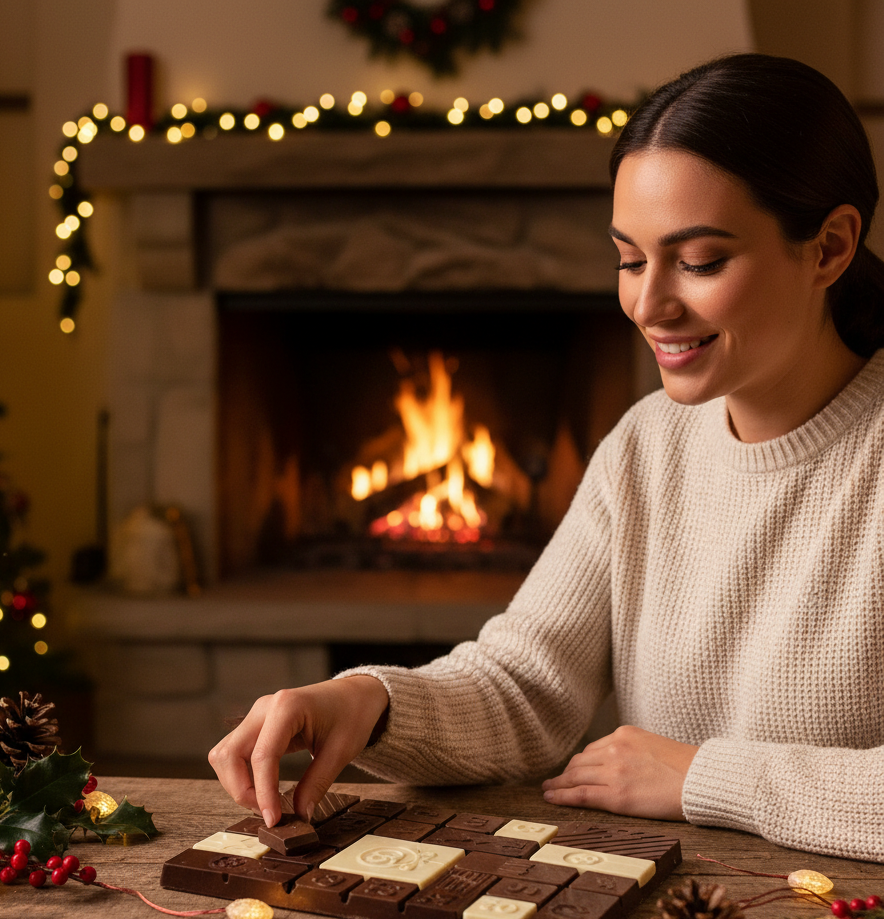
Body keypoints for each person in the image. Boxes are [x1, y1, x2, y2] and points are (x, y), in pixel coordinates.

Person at [209, 53, 884, 864]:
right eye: (629, 260)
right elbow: (526, 687)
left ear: (830, 247)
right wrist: (366, 700)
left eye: (699, 261)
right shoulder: (646, 445)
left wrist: (704, 777)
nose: (649, 303)